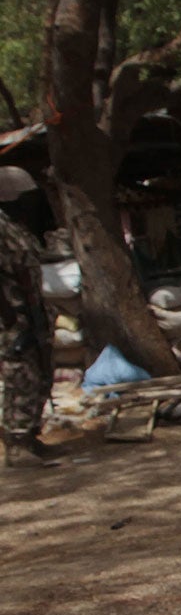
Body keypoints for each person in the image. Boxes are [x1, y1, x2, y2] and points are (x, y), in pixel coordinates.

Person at [0, 167, 54, 468]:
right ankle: (17, 443)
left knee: (41, 372)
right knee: (21, 376)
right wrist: (10, 316)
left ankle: (31, 435)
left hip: (31, 312)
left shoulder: (16, 226)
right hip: (15, 315)